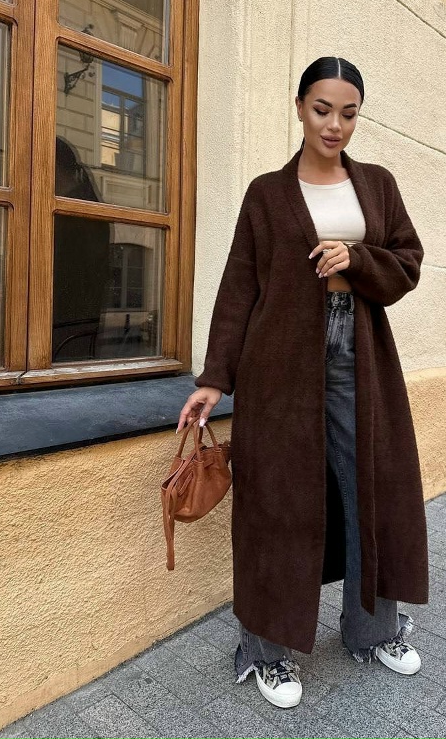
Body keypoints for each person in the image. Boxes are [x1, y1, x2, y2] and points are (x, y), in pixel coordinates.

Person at [177, 56, 428, 709]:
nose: (334, 124)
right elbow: (239, 287)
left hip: (359, 365)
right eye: (322, 109)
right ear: (299, 107)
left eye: (348, 113)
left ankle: (372, 631)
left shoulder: (378, 186)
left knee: (371, 495)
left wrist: (359, 258)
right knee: (277, 504)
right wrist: (214, 378)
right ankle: (266, 651)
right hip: (278, 372)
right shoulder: (266, 194)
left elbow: (408, 262)